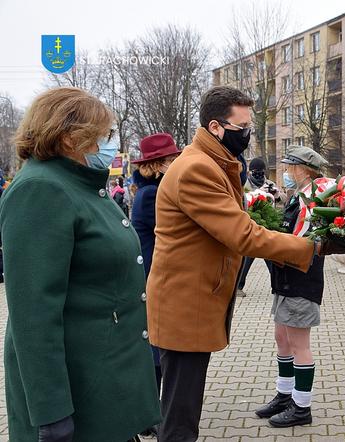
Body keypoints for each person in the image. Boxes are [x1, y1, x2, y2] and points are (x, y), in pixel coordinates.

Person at [146, 86, 335, 441]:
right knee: (180, 418)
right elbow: (242, 235)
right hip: (186, 304)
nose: (248, 134)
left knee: (183, 408)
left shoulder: (210, 162)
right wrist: (311, 248)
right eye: (243, 126)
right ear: (216, 127)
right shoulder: (196, 169)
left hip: (193, 301)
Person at [0, 87, 160, 441]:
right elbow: (34, 315)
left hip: (101, 379)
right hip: (76, 391)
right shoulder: (40, 189)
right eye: (102, 134)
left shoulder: (79, 184)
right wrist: (51, 412)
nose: (108, 143)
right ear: (71, 136)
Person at [255, 146, 330, 427]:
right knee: (282, 337)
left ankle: (301, 407)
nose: (286, 172)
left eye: (289, 167)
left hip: (301, 279)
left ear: (303, 169)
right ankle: (284, 394)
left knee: (299, 343)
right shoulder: (298, 196)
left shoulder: (315, 200)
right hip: (285, 278)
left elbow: (307, 241)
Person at [130, 132, 181, 437]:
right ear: (159, 163)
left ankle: (150, 411)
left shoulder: (151, 189)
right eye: (172, 159)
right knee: (154, 349)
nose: (176, 163)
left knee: (155, 346)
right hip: (152, 274)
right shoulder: (152, 193)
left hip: (152, 274)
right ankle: (149, 413)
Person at [236, 157, 286, 297]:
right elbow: (242, 200)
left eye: (261, 172)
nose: (259, 174)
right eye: (255, 172)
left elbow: (282, 200)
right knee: (246, 259)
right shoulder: (245, 184)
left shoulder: (270, 183)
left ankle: (277, 287)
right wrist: (258, 193)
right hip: (251, 225)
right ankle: (238, 286)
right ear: (251, 172)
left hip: (268, 226)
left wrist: (277, 195)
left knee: (271, 258)